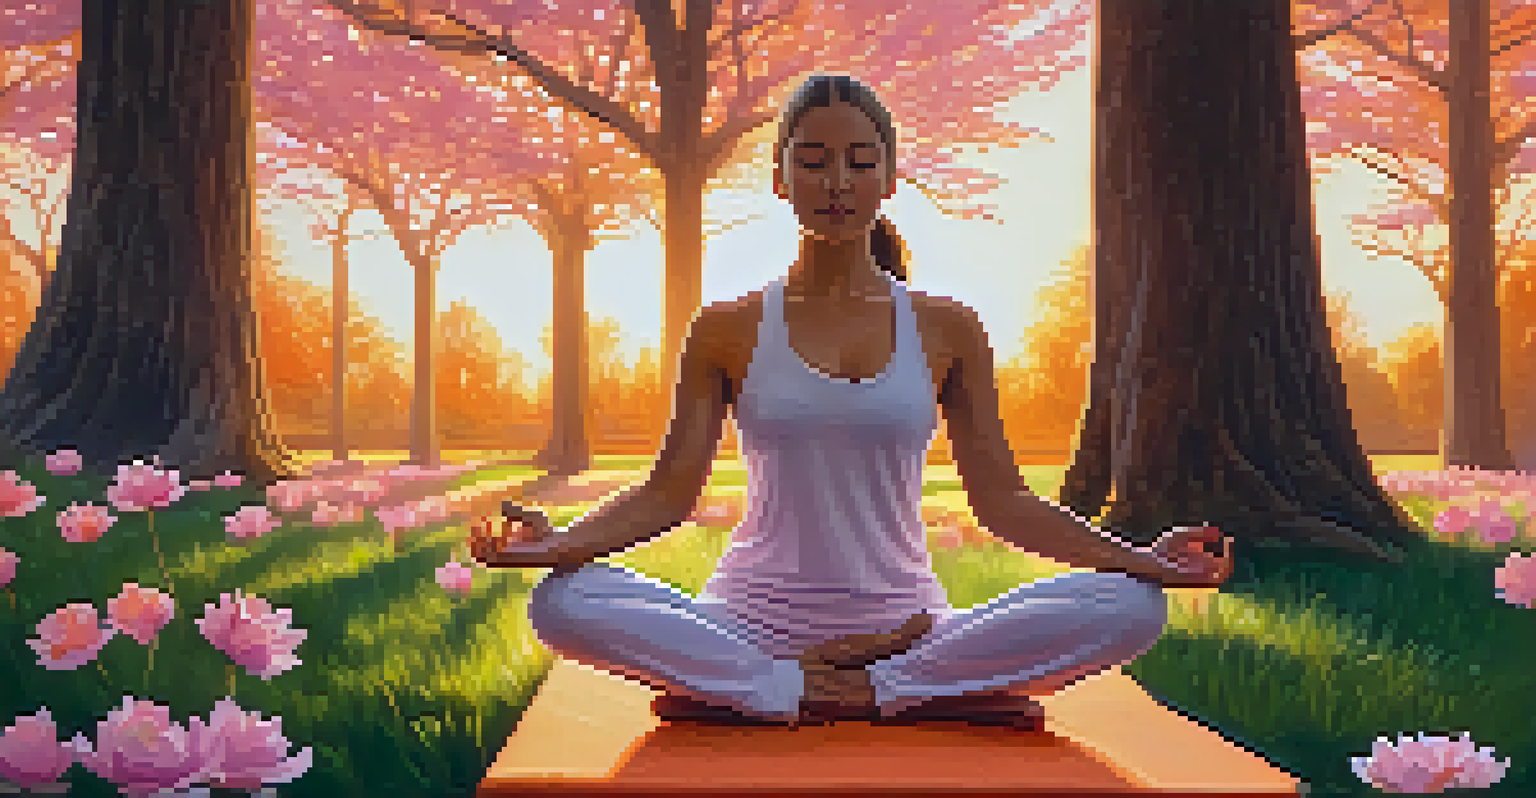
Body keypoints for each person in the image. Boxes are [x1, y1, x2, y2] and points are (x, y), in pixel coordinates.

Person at [468, 73, 1233, 728]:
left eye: (860, 162)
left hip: (908, 628)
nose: (837, 181)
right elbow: (668, 493)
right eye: (813, 161)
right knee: (561, 603)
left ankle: (840, 689)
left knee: (1135, 606)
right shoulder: (726, 328)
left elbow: (1004, 503)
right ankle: (835, 687)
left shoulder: (948, 328)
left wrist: (1140, 561)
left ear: (889, 178)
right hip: (747, 624)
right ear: (780, 179)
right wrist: (557, 546)